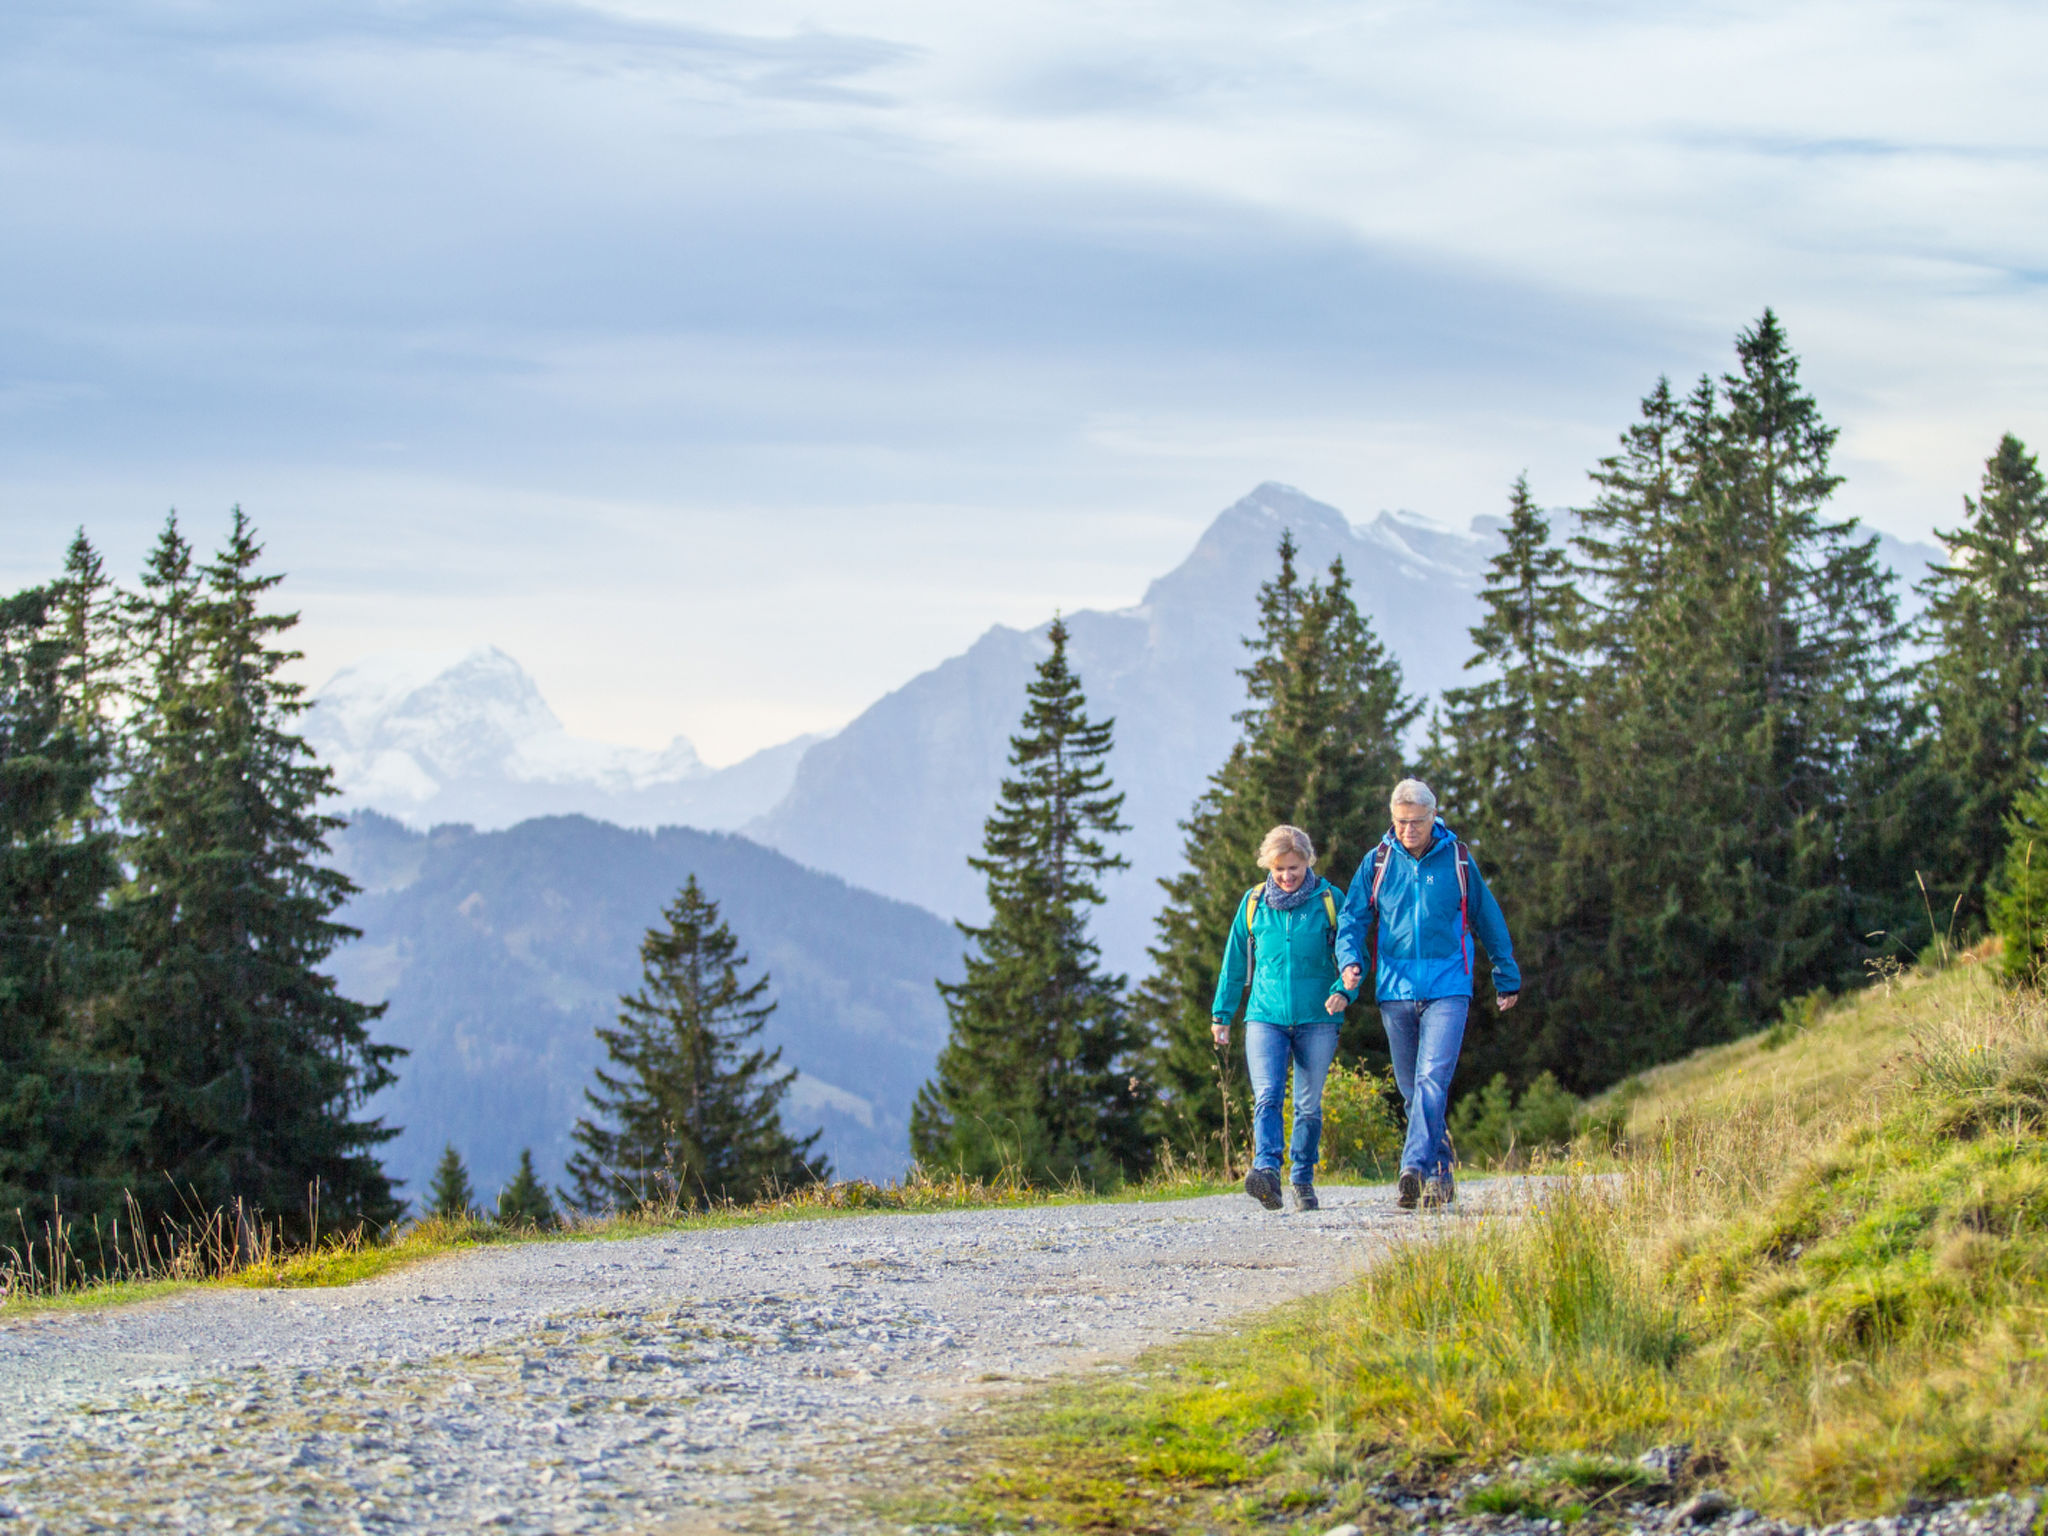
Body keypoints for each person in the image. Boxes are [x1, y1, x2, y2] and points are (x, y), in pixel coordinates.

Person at [1336, 779, 1519, 1211]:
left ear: (1433, 817)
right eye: (1400, 822)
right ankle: (1440, 1174)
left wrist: (1505, 972)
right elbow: (1352, 919)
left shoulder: (1457, 858)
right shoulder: (1377, 862)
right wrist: (1350, 960)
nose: (1408, 830)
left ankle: (1412, 1168)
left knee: (1432, 1078)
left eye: (1416, 822)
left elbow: (1486, 915)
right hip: (1394, 989)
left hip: (1449, 986)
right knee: (1410, 1088)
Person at [1210, 825, 1357, 1213]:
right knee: (1268, 1097)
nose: (1287, 877)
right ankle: (1266, 1172)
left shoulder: (1330, 900)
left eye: (1293, 868)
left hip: (1318, 1017)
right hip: (1265, 1017)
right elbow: (1235, 961)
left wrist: (1346, 990)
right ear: (1268, 867)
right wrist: (1222, 1014)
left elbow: (1352, 954)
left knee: (1308, 1105)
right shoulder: (1254, 902)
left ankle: (1303, 1179)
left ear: (1307, 862)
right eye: (1279, 870)